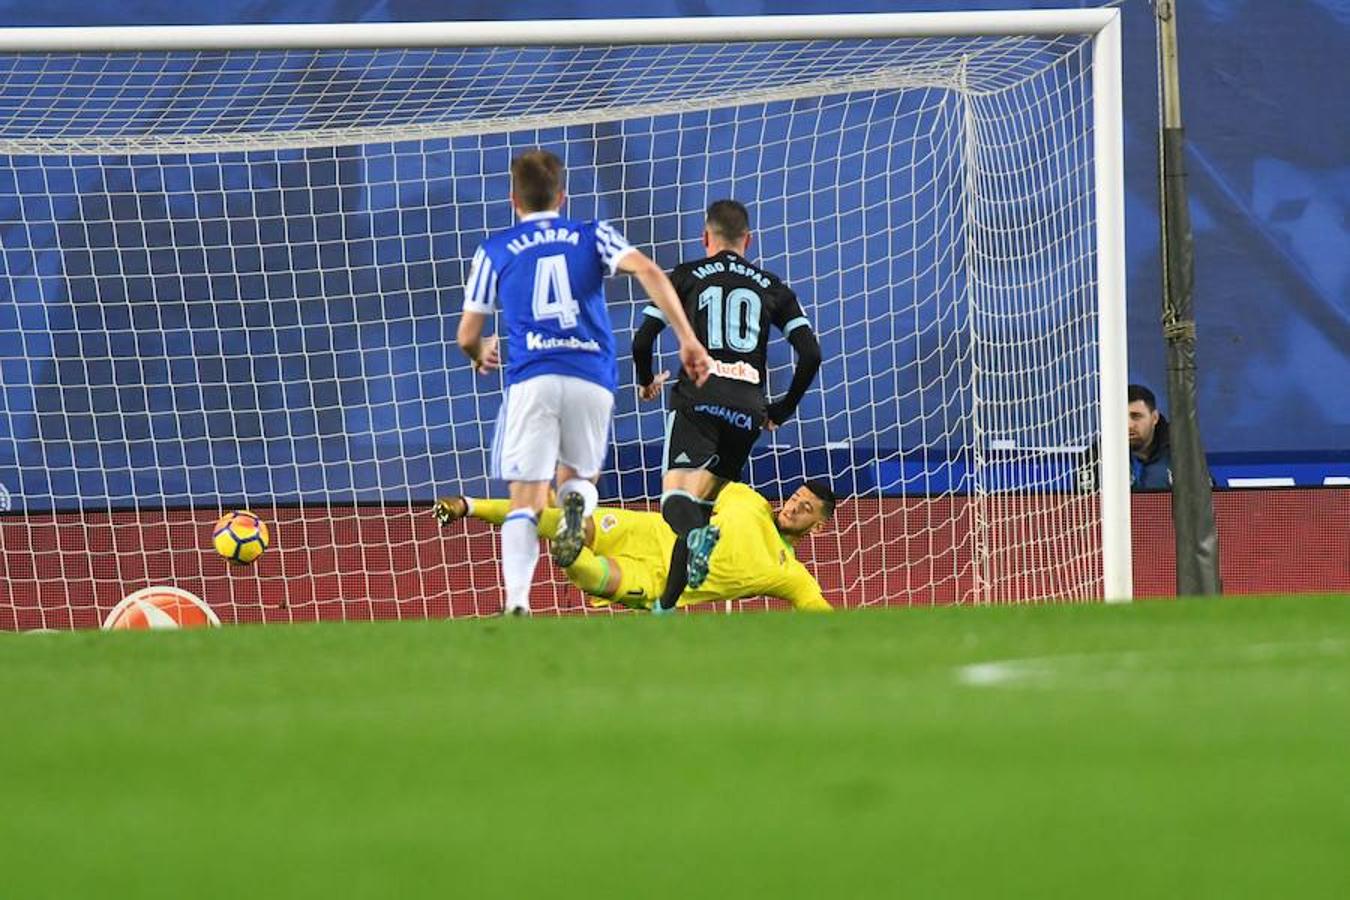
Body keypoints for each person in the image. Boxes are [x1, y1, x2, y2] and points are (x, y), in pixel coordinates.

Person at [456, 149, 710, 616]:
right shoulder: (592, 235)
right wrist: (688, 340)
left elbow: (467, 334)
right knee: (578, 479)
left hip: (532, 378)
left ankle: (517, 602)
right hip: (591, 376)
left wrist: (480, 352)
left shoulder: (494, 250)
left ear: (513, 199)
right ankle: (577, 505)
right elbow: (651, 271)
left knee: (526, 501)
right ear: (563, 195)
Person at [630, 200, 822, 614]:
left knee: (674, 505)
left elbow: (641, 340)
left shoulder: (682, 277)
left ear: (706, 237)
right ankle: (666, 608)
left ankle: (693, 551)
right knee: (698, 510)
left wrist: (646, 382)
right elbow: (811, 354)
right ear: (747, 241)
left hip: (699, 399)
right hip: (748, 409)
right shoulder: (772, 286)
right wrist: (782, 410)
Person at [433, 479, 836, 613]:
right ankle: (468, 505)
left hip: (662, 580)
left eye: (806, 509)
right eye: (796, 497)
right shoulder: (745, 496)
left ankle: (568, 551)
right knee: (571, 521)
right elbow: (697, 480)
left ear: (816, 529)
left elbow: (824, 616)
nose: (794, 507)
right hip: (646, 531)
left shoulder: (789, 573)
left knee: (600, 580)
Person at [1075, 383, 1173, 492]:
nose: (1129, 425)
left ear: (1154, 418)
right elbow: (1087, 505)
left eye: (1136, 416)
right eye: (1121, 417)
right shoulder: (1096, 456)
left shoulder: (1180, 452)